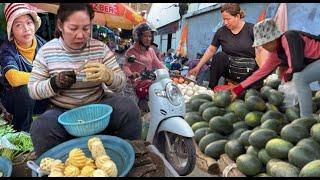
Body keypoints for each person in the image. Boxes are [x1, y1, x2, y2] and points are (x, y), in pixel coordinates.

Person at [27, 3, 141, 156]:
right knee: (40, 128)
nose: (80, 35)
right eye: (73, 28)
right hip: (62, 113)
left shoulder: (100, 48)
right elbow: (33, 89)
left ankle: (127, 156)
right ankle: (57, 169)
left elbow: (120, 84)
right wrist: (54, 83)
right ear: (60, 25)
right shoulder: (46, 52)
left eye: (86, 28)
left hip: (99, 107)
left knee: (129, 109)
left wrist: (108, 75)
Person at [231, 18, 320, 118]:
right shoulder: (275, 54)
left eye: (265, 43)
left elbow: (296, 65)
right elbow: (261, 73)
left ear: (273, 38)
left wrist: (286, 78)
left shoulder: (289, 37)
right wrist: (238, 89)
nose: (264, 47)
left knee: (300, 78)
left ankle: (306, 119)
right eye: (262, 44)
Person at [0, 3, 48, 132]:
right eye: (18, 25)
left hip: (40, 98)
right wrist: (44, 76)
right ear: (12, 31)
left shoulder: (44, 46)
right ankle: (23, 130)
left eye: (28, 22)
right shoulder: (7, 49)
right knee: (25, 90)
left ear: (34, 24)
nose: (26, 29)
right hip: (16, 101)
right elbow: (13, 78)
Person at [189, 3, 259, 89]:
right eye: (224, 19)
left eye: (228, 19)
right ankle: (211, 89)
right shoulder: (221, 32)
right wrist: (198, 67)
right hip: (230, 71)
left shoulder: (252, 29)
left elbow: (262, 53)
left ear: (237, 16)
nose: (225, 22)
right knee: (219, 56)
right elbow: (211, 50)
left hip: (248, 73)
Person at [123, 22, 165, 112]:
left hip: (148, 84)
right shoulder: (131, 51)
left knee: (153, 108)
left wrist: (168, 71)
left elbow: (159, 64)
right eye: (145, 36)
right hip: (133, 86)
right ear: (138, 37)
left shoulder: (151, 51)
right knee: (134, 112)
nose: (148, 39)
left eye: (150, 36)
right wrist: (131, 74)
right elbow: (126, 67)